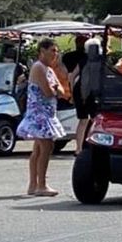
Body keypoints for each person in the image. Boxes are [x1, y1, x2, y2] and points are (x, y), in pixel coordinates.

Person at [16, 39, 66, 196]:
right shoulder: (39, 67)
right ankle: (41, 185)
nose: (55, 54)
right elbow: (49, 92)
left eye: (56, 51)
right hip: (39, 115)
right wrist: (55, 90)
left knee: (38, 149)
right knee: (46, 147)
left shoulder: (49, 69)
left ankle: (33, 185)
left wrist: (57, 90)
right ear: (42, 51)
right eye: (52, 50)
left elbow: (63, 92)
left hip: (48, 113)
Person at [68, 36, 98, 155]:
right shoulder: (101, 60)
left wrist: (71, 92)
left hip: (79, 91)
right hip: (92, 92)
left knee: (83, 120)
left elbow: (71, 76)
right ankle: (94, 145)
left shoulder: (83, 61)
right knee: (95, 120)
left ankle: (78, 148)